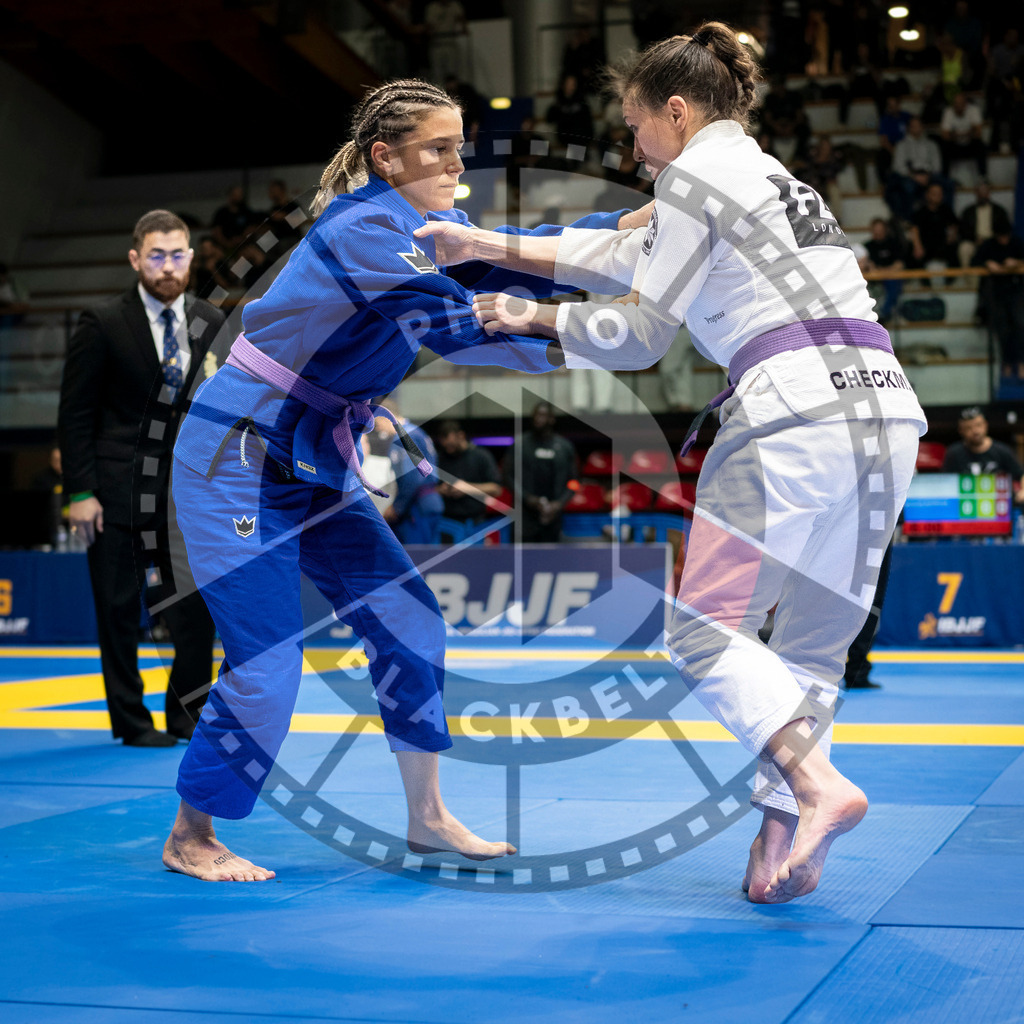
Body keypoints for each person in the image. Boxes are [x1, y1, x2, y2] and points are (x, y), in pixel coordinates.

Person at [417, 23, 927, 904]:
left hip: (789, 413)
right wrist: (487, 244)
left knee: (702, 630)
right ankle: (783, 840)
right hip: (884, 411)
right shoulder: (765, 175)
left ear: (678, 112)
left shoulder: (691, 176)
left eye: (637, 127)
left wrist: (522, 314)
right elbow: (622, 248)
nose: (633, 145)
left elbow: (640, 336)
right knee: (810, 647)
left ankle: (814, 787)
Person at [161, 79, 649, 881]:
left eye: (461, 145)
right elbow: (453, 321)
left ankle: (428, 817)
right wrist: (617, 330)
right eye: (438, 148)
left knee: (409, 617)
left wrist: (623, 232)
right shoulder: (361, 228)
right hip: (238, 455)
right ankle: (192, 833)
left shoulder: (439, 225)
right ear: (385, 156)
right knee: (268, 656)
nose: (458, 161)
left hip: (314, 453)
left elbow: (514, 259)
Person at [58, 210, 223, 747]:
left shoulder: (209, 318)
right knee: (119, 612)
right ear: (135, 259)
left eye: (177, 254)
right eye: (156, 255)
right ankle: (130, 722)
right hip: (115, 490)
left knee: (197, 613)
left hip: (188, 496)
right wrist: (79, 492)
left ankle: (186, 715)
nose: (168, 266)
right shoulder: (101, 322)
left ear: (191, 258)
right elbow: (75, 415)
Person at [504, 401, 577, 542]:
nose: (538, 418)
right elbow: (507, 477)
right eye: (536, 415)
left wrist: (559, 503)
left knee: (552, 560)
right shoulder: (519, 444)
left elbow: (574, 482)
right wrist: (528, 499)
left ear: (552, 419)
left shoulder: (565, 447)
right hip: (524, 516)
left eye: (543, 415)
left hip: (553, 517)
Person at [377, 398, 444, 544]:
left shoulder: (405, 436)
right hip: (426, 503)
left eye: (378, 423)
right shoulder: (417, 432)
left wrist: (397, 507)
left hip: (417, 506)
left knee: (418, 560)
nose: (377, 429)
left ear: (386, 417)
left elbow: (413, 476)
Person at [943, 407, 1024, 503]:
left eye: (978, 425)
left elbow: (1021, 474)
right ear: (961, 430)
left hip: (1000, 505)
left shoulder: (1002, 450)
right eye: (969, 427)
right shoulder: (954, 453)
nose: (975, 431)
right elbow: (945, 482)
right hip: (967, 505)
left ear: (985, 425)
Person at [434, 419, 502, 526]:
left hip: (476, 522)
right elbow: (426, 489)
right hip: (446, 522)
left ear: (461, 436)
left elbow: (496, 489)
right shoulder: (439, 458)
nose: (449, 450)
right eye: (445, 446)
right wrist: (440, 490)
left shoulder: (481, 456)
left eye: (452, 445)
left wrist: (467, 488)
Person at [958, 181, 1012, 269]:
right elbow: (963, 230)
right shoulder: (968, 211)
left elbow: (1005, 229)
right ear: (976, 192)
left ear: (989, 193)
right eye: (980, 191)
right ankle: (970, 281)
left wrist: (993, 239)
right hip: (974, 241)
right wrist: (975, 238)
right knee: (964, 248)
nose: (983, 194)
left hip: (994, 242)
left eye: (985, 191)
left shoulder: (999, 211)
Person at [862, 217, 906, 324]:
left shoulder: (894, 244)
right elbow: (866, 265)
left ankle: (883, 315)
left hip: (891, 279)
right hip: (874, 281)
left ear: (885, 230)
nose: (878, 233)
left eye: (880, 230)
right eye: (875, 230)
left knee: (893, 287)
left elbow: (900, 264)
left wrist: (883, 271)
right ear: (872, 231)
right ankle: (874, 316)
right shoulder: (867, 246)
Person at [906, 182, 959, 272]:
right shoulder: (920, 211)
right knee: (911, 254)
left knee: (954, 252)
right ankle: (923, 283)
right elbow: (914, 229)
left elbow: (953, 225)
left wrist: (952, 235)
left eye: (939, 194)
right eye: (934, 194)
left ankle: (950, 283)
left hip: (942, 245)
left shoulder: (946, 210)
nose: (937, 196)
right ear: (927, 195)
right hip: (925, 245)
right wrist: (917, 245)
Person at [939, 92, 987, 180]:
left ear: (966, 104)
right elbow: (945, 135)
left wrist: (955, 134)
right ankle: (945, 177)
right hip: (955, 145)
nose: (958, 106)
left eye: (960, 103)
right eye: (956, 104)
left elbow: (978, 133)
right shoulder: (948, 111)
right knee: (944, 146)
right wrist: (967, 133)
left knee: (981, 146)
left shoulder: (973, 110)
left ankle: (983, 177)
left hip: (970, 145)